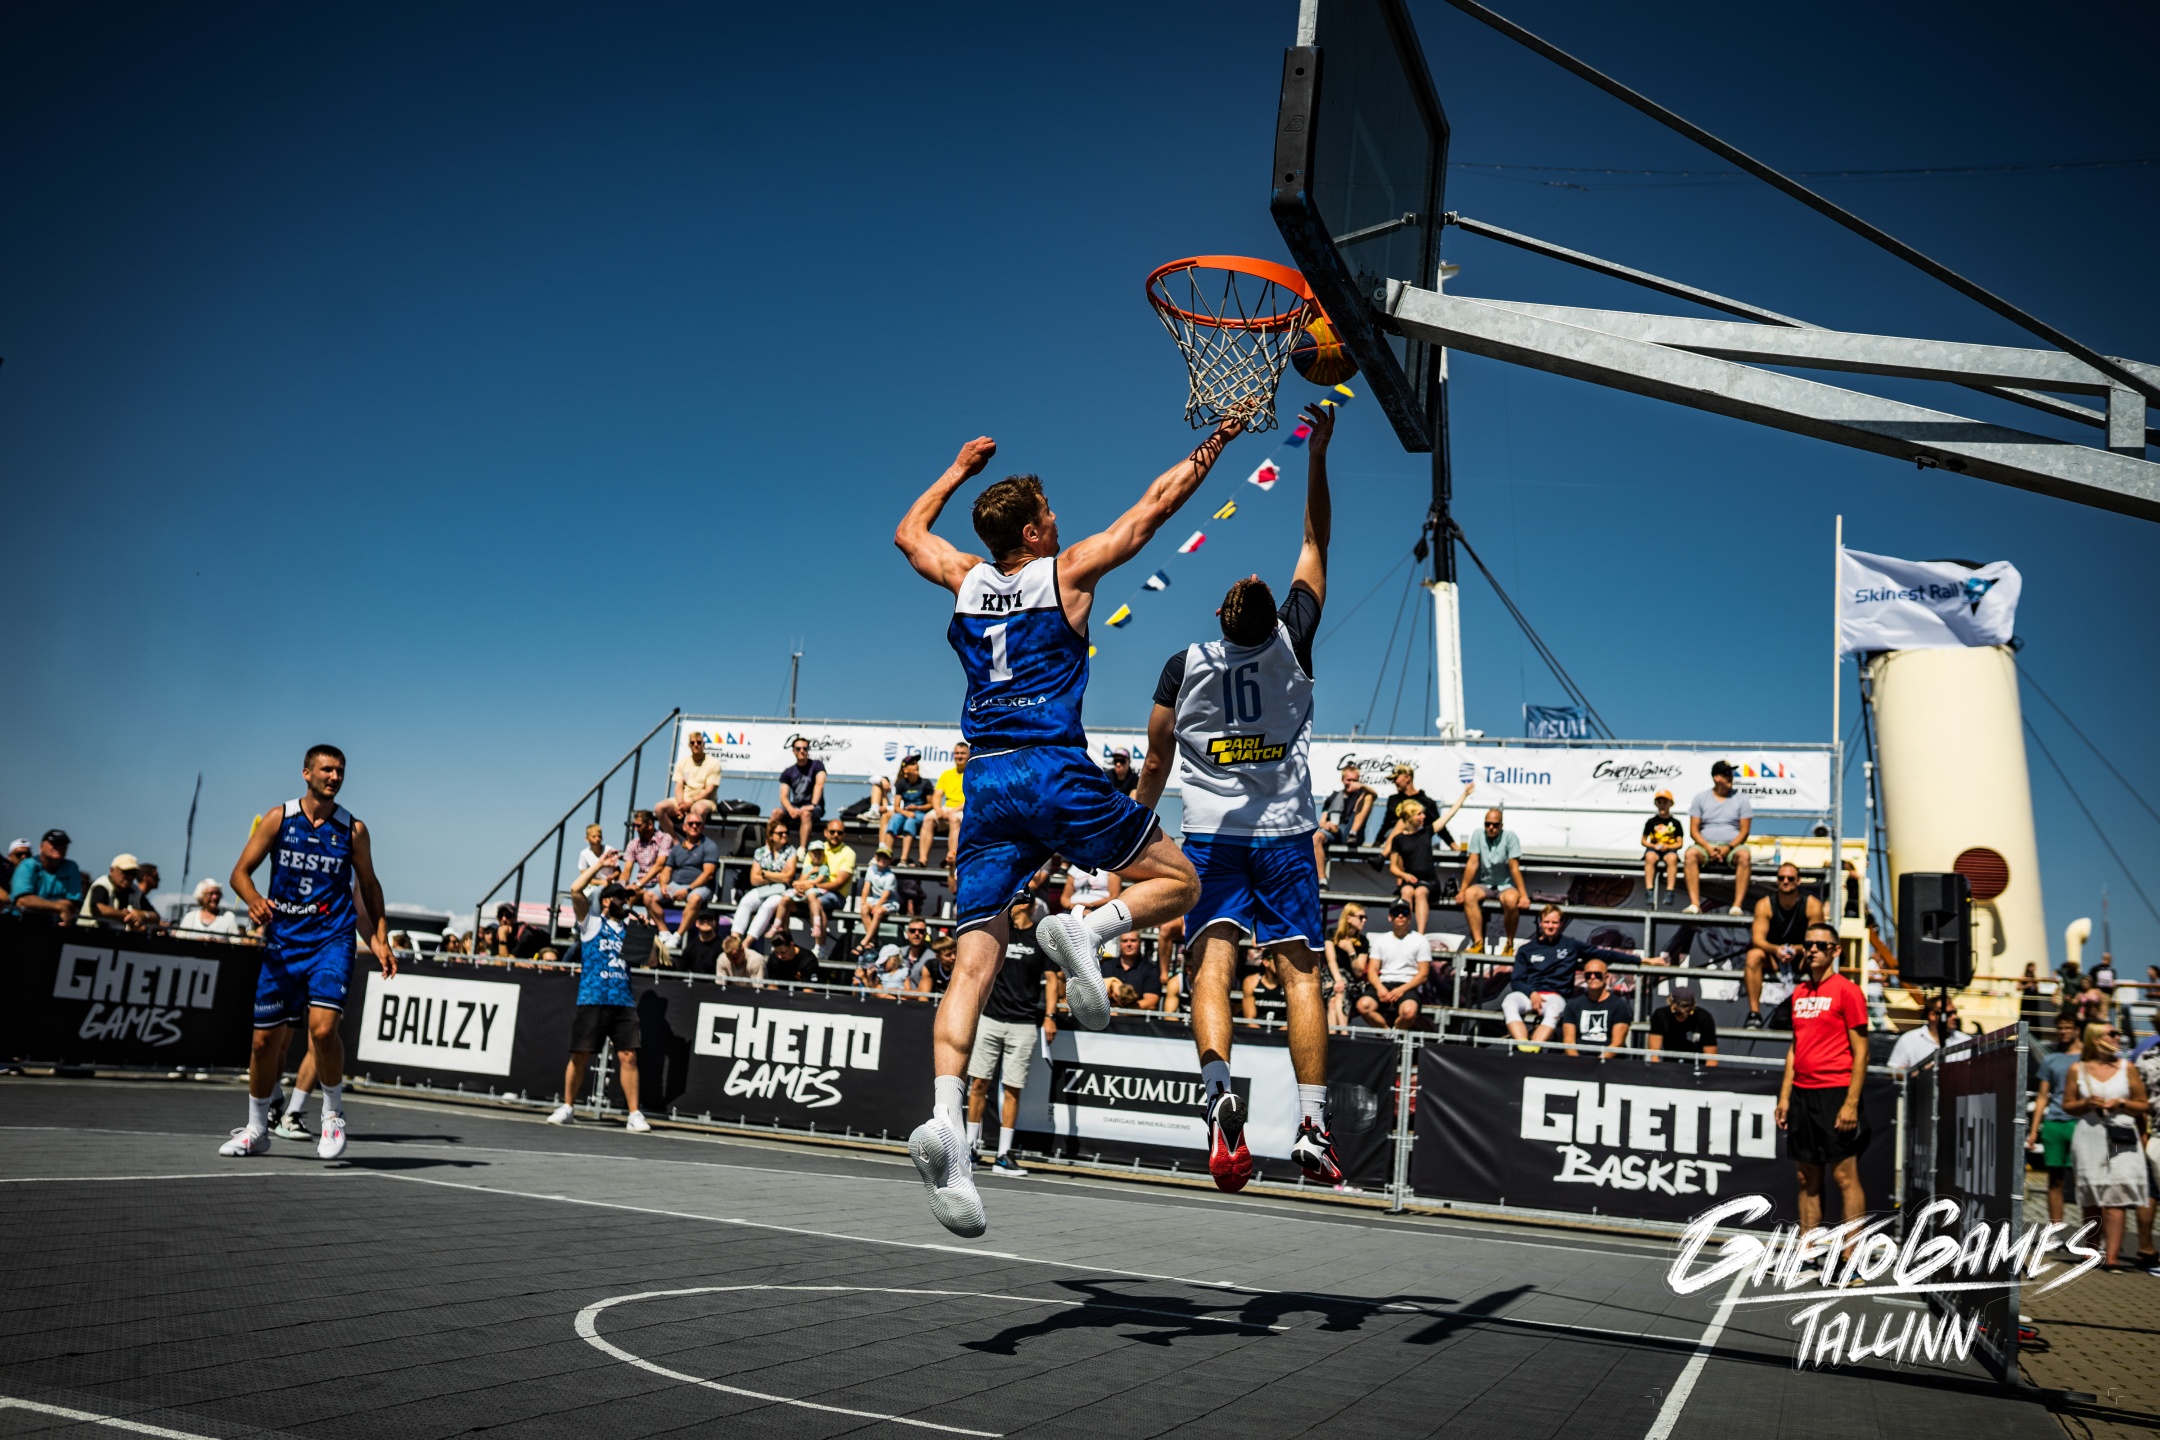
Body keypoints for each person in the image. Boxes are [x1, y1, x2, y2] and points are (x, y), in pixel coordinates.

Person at [891, 411, 1241, 1237]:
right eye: (1048, 513)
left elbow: (909, 533)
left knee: (970, 968)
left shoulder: (965, 579)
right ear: (1033, 530)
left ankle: (947, 1123)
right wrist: (1216, 444)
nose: (1058, 519)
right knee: (1180, 881)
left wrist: (957, 468)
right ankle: (1088, 928)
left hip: (986, 781)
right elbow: (1154, 507)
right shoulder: (1067, 572)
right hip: (1050, 767)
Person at [1131, 401, 1336, 1190]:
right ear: (1269, 613)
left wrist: (1132, 832)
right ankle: (1312, 1126)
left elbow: (1155, 764)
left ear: (1220, 616)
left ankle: (1219, 1090)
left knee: (1209, 971)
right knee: (1301, 976)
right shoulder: (1292, 644)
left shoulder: (1183, 666)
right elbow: (1314, 540)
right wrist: (1316, 452)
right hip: (1283, 834)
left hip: (1212, 836)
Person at [221, 744, 394, 1161]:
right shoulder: (279, 818)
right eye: (327, 770)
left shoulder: (353, 829)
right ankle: (257, 1129)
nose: (334, 777)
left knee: (322, 1029)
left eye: (340, 771)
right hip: (284, 943)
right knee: (264, 1043)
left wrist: (381, 938)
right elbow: (239, 873)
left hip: (331, 940)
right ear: (306, 773)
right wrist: (254, 899)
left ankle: (332, 1114)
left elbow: (368, 887)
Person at [1777, 921, 1871, 1244]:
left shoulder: (1848, 991)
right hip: (1802, 1095)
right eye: (1808, 945)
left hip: (1836, 1093)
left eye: (1821, 945)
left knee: (1845, 1176)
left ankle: (1851, 1257)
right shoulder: (1799, 993)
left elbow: (1862, 1052)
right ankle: (1808, 1252)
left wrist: (1851, 1104)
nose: (1813, 950)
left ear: (1836, 951)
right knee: (1806, 1176)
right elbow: (1795, 1048)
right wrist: (1784, 1096)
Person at [966, 895, 1062, 1176]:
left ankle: (1003, 1155)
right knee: (978, 1084)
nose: (1015, 904)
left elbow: (1052, 980)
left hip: (1024, 1023)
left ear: (1029, 905)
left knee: (1012, 1088)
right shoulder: (999, 930)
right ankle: (969, 1149)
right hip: (990, 1017)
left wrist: (1050, 1016)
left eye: (1020, 900)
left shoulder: (1041, 938)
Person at [542, 884, 649, 1131]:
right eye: (619, 897)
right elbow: (576, 890)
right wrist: (600, 866)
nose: (624, 902)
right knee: (579, 1054)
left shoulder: (630, 930)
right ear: (606, 901)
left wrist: (646, 933)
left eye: (626, 898)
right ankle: (568, 1107)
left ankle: (634, 1114)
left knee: (629, 1056)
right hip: (593, 998)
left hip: (623, 1000)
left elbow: (650, 960)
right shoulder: (592, 924)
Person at [2063, 1022, 2150, 1269]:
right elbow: (2067, 1105)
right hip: (2089, 1136)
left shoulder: (2127, 1067)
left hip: (2120, 1136)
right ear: (2095, 1039)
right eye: (2112, 1034)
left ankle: (2111, 1258)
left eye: (2118, 1033)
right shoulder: (2077, 1069)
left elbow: (2143, 1104)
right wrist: (2086, 1103)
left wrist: (2121, 1103)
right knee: (2091, 1194)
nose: (2117, 1037)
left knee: (2116, 1195)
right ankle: (2090, 1251)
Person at [1504, 905, 1637, 1048]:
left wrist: (1640, 960)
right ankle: (1523, 1046)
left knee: (1554, 1010)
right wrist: (1531, 993)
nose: (1550, 926)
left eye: (1554, 922)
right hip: (1529, 995)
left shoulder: (1571, 945)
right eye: (1547, 922)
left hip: (1555, 996)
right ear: (1540, 923)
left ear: (1561, 924)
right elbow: (1516, 980)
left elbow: (1604, 954)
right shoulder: (1526, 949)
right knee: (1509, 1002)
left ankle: (1533, 1048)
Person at [1746, 862, 1826, 1030]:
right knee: (1753, 955)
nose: (1785, 881)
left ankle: (1818, 1012)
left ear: (1798, 881)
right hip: (1773, 956)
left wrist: (1795, 950)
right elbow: (1757, 940)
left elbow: (1816, 940)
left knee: (1819, 956)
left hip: (1802, 956)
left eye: (1790, 878)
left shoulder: (1812, 904)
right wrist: (1776, 950)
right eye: (1781, 878)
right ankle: (1754, 1014)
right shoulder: (1764, 904)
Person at [2026, 1014, 2083, 1225]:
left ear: (2077, 1029)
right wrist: (2034, 1131)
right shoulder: (2050, 1059)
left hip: (2080, 1124)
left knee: (2084, 1182)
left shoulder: (2088, 1057)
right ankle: (2055, 1230)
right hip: (2054, 1123)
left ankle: (2091, 1235)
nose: (2063, 1031)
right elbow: (2042, 1097)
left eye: (2068, 1027)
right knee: (2055, 1180)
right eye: (2060, 1028)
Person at [642, 811, 719, 954]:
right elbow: (666, 870)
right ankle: (664, 932)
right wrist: (663, 885)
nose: (694, 826)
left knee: (695, 899)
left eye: (698, 824)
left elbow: (708, 874)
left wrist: (688, 889)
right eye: (691, 823)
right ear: (684, 827)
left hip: (700, 887)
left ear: (702, 827)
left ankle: (677, 936)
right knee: (648, 896)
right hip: (676, 885)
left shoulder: (709, 846)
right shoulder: (676, 848)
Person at [1683, 761, 1753, 915]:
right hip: (1705, 846)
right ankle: (1695, 905)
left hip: (1733, 846)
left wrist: (1728, 848)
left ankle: (1737, 906)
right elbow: (1694, 830)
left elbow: (1744, 831)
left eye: (1732, 773)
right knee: (1690, 854)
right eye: (1726, 774)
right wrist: (1708, 848)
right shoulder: (1700, 798)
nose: (1731, 777)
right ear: (1716, 777)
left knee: (1744, 855)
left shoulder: (1742, 799)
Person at [1460, 808, 1527, 955]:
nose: (1491, 827)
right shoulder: (1478, 834)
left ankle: (1509, 944)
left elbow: (1514, 867)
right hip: (1485, 884)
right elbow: (1472, 863)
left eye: (1495, 825)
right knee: (1469, 895)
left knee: (1511, 900)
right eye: (1487, 824)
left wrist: (1523, 895)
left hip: (1506, 885)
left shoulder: (1510, 837)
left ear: (1501, 825)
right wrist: (1462, 890)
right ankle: (1478, 943)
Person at [1356, 899, 1430, 1031]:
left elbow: (1423, 974)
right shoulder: (1381, 940)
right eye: (1396, 912)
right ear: (1390, 917)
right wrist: (1380, 988)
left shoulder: (1420, 940)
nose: (1400, 916)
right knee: (1363, 1005)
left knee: (1409, 1012)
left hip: (1408, 985)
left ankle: (1396, 1033)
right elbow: (1372, 970)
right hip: (1384, 983)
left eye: (1404, 912)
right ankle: (1386, 1033)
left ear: (1410, 917)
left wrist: (1401, 990)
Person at [732, 820, 799, 944]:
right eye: (780, 833)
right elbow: (754, 879)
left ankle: (747, 943)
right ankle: (735, 939)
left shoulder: (791, 851)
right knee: (745, 902)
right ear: (771, 835)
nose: (784, 835)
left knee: (767, 907)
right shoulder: (760, 852)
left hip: (781, 891)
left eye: (786, 832)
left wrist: (765, 873)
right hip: (763, 889)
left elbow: (787, 878)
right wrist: (779, 875)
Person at [1385, 799, 1441, 934]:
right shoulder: (1398, 839)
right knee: (1407, 891)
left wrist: (1464, 795)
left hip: (1429, 882)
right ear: (1410, 817)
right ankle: (1405, 932)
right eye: (1419, 814)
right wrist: (1404, 875)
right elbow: (1393, 867)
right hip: (1410, 881)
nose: (1423, 817)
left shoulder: (1426, 832)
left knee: (1420, 892)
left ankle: (1420, 934)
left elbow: (1447, 816)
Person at [1314, 763, 1376, 882]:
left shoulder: (1362, 794)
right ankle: (1321, 880)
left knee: (1368, 797)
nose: (1351, 783)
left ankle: (1353, 833)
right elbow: (1322, 821)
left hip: (1352, 832)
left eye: (1355, 780)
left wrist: (1362, 787)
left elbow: (1374, 794)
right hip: (1335, 832)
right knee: (1315, 837)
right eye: (1348, 780)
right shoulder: (1334, 796)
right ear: (1342, 780)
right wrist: (1327, 825)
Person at [1560, 957, 1631, 1057]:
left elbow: (1618, 1043)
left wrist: (1598, 1062)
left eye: (1598, 974)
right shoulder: (1573, 1005)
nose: (1592, 977)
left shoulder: (1619, 1005)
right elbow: (1568, 1042)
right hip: (1578, 1060)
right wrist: (1578, 1062)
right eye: (1588, 975)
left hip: (1608, 1061)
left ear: (1606, 977)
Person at [9, 829, 84, 923]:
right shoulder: (27, 865)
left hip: (56, 923)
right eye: (54, 843)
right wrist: (59, 907)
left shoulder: (71, 867)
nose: (59, 847)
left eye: (63, 845)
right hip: (23, 922)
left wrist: (38, 903)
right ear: (41, 847)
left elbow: (74, 903)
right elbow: (23, 900)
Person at [658, 731, 723, 830]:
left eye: (699, 742)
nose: (696, 745)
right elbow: (678, 787)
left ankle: (695, 838)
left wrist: (690, 803)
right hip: (683, 800)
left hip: (704, 801)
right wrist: (681, 804)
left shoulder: (714, 763)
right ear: (689, 745)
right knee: (659, 808)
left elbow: (708, 791)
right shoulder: (682, 763)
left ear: (703, 744)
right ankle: (674, 838)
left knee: (698, 809)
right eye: (693, 742)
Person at [1323, 901, 1371, 1031]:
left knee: (1337, 997)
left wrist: (1351, 952)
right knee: (1334, 996)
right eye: (1361, 917)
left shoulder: (1363, 942)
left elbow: (1358, 972)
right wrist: (1338, 980)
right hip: (1331, 977)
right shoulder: (1331, 933)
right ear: (1349, 918)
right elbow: (1331, 960)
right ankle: (1342, 1033)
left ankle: (1337, 1034)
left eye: (1365, 917)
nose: (1364, 920)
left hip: (1350, 982)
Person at [1887, 994, 1962, 1075]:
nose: (1955, 1017)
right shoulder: (1909, 1039)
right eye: (1949, 1014)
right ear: (1932, 1015)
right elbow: (1892, 1071)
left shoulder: (1965, 1041)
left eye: (1955, 1012)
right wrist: (1918, 1074)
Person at [875, 755, 935, 857]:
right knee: (894, 819)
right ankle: (886, 854)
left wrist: (917, 808)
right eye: (912, 764)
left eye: (916, 763)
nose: (916, 766)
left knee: (910, 822)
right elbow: (896, 807)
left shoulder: (926, 783)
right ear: (905, 769)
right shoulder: (901, 784)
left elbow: (931, 804)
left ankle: (904, 858)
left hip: (920, 813)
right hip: (905, 812)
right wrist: (906, 812)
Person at [924, 741, 971, 870]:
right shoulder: (946, 774)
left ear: (969, 755)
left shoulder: (972, 773)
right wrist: (939, 811)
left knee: (954, 819)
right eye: (957, 753)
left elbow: (971, 799)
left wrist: (952, 811)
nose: (959, 756)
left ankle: (952, 857)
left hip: (963, 809)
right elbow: (937, 796)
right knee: (928, 818)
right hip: (947, 808)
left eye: (962, 753)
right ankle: (923, 859)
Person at [1646, 983, 1719, 1063]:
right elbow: (1654, 1054)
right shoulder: (1661, 1015)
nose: (1682, 1015)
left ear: (1693, 1007)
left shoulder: (1703, 1018)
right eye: (1677, 1013)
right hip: (1670, 1064)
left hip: (1696, 1065)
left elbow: (1711, 1059)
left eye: (1688, 1010)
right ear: (1671, 1004)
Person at [79, 854, 148, 930]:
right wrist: (127, 916)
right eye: (125, 872)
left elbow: (155, 916)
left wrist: (143, 915)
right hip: (88, 933)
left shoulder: (135, 890)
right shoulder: (102, 885)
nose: (130, 877)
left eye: (133, 874)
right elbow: (99, 909)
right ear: (112, 870)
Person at [1100, 930, 1164, 1011]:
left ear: (1140, 942)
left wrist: (1121, 1012)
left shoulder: (1150, 970)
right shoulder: (1106, 966)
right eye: (1125, 941)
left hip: (1135, 1018)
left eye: (1133, 940)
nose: (1129, 944)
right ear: (1119, 943)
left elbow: (1151, 1003)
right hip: (1107, 1016)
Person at [854, 847, 900, 956]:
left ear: (890, 860)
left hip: (890, 902)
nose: (882, 859)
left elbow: (886, 895)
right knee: (864, 909)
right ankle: (873, 940)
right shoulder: (871, 869)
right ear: (875, 857)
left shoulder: (890, 876)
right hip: (875, 900)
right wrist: (863, 902)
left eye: (885, 857)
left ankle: (864, 942)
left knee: (878, 912)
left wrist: (876, 907)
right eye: (880, 856)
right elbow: (866, 888)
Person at [571, 823, 621, 923]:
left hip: (610, 885)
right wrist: (601, 882)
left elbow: (618, 871)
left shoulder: (609, 850)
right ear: (587, 838)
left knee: (597, 892)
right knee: (579, 896)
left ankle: (595, 922)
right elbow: (583, 876)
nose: (597, 839)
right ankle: (578, 925)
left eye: (599, 836)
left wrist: (610, 878)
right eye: (594, 836)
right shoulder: (584, 854)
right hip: (593, 885)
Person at [1641, 789, 1684, 902]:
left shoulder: (1676, 823)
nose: (1662, 805)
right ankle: (1649, 890)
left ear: (1671, 804)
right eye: (1659, 802)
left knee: (1672, 858)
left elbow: (1680, 843)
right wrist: (1653, 846)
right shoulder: (1651, 822)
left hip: (1669, 849)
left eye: (1665, 802)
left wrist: (1668, 847)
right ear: (1656, 804)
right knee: (1650, 857)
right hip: (1654, 848)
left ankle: (1670, 890)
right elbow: (1643, 840)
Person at [619, 810, 671, 895]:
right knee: (621, 897)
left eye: (638, 826)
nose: (636, 829)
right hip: (640, 885)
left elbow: (659, 865)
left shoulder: (664, 838)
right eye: (634, 825)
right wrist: (620, 887)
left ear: (650, 824)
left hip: (659, 884)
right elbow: (626, 871)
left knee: (645, 895)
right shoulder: (633, 844)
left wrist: (639, 884)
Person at [177, 878, 242, 937]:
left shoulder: (228, 917)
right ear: (201, 896)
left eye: (217, 893)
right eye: (210, 894)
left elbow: (236, 942)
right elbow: (178, 940)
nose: (215, 897)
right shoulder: (190, 917)